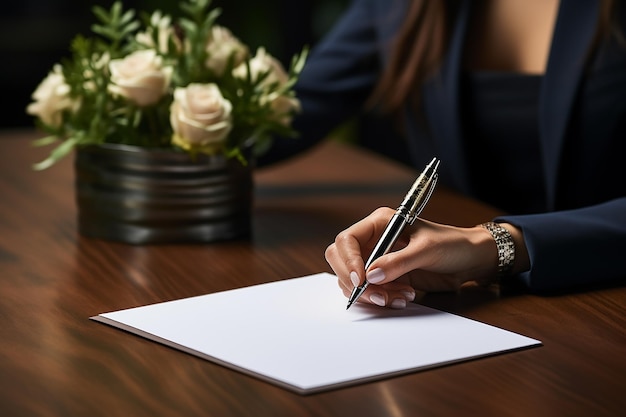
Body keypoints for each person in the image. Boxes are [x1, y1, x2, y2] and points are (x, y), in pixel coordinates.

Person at [258, 0, 626, 308]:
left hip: (602, 303)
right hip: (482, 307)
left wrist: (494, 247)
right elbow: (281, 117)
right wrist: (200, 127)